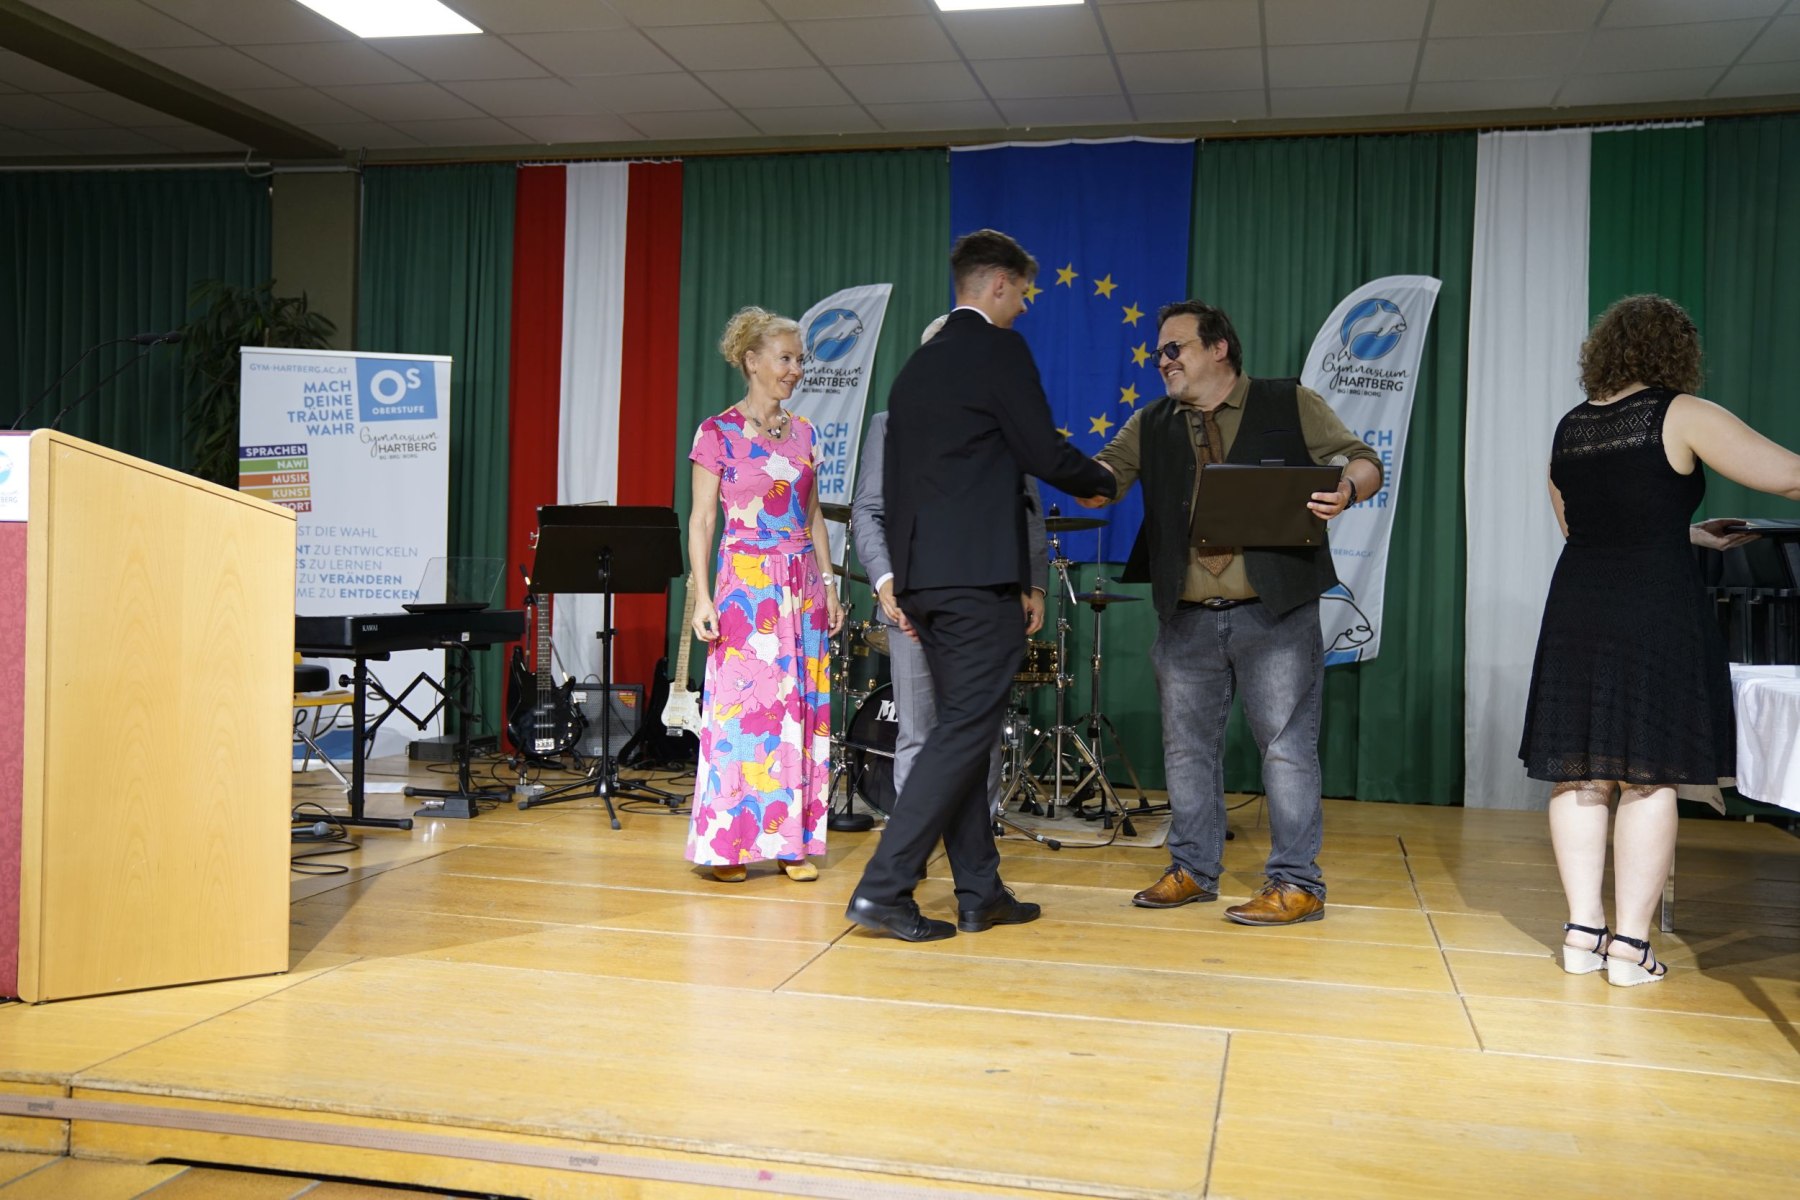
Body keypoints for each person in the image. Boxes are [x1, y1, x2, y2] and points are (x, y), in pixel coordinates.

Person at [1521, 293, 1800, 986]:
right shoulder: (1681, 413)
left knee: (1581, 770)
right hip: (1653, 606)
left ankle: (1582, 934)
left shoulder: (1571, 428)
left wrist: (1688, 533)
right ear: (1677, 352)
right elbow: (1790, 476)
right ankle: (1629, 949)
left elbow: (1584, 528)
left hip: (1578, 604)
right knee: (1649, 775)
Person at [844, 229, 1115, 942]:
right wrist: (1099, 480)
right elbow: (1039, 449)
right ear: (997, 283)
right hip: (976, 581)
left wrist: (902, 582)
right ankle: (883, 888)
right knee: (964, 730)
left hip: (924, 583)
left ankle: (979, 890)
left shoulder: (914, 371)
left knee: (963, 731)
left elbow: (897, 491)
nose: (1024, 305)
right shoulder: (999, 350)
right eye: (1021, 291)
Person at [1080, 300, 1382, 927]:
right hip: (1186, 617)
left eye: (1175, 349)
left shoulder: (1288, 402)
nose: (1163, 361)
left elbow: (1362, 461)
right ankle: (1193, 869)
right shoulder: (1150, 422)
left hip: (1275, 613)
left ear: (1218, 348)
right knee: (1186, 751)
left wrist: (1346, 489)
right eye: (1159, 353)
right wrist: (1056, 461)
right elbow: (1101, 480)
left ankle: (1297, 882)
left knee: (1287, 750)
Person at [851, 315, 1049, 811]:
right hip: (909, 603)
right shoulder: (889, 425)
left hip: (987, 604)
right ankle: (914, 845)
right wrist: (886, 580)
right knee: (917, 733)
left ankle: (978, 845)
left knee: (981, 734)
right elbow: (868, 510)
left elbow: (1026, 508)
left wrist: (1034, 585)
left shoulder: (1003, 424)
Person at [685, 306, 845, 884]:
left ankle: (790, 843)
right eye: (786, 358)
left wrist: (830, 585)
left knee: (798, 714)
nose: (796, 369)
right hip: (745, 589)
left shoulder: (805, 433)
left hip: (802, 588)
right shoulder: (716, 433)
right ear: (751, 361)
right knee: (743, 715)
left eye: (799, 359)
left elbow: (814, 514)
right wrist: (703, 599)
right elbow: (703, 521)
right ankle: (729, 847)